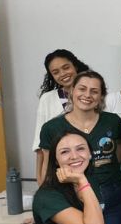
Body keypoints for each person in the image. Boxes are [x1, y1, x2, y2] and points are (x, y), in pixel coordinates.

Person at [39, 71, 121, 224]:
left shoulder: (112, 121)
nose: (87, 95)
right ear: (71, 91)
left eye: (94, 91)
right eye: (82, 89)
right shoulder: (52, 127)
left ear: (101, 96)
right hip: (72, 196)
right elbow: (47, 166)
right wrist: (44, 204)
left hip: (113, 195)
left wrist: (108, 167)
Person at [33, 49, 90, 184]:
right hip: (58, 173)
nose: (63, 74)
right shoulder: (47, 99)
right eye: (56, 72)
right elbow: (40, 147)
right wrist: (41, 184)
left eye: (66, 67)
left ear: (75, 66)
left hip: (89, 171)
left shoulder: (92, 94)